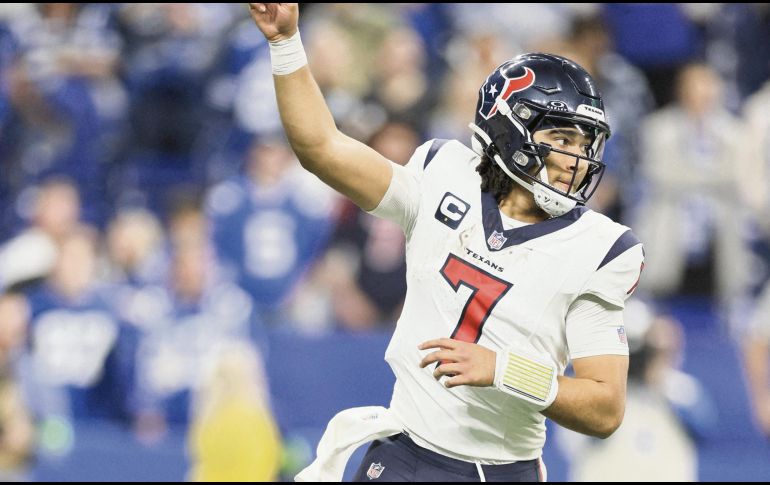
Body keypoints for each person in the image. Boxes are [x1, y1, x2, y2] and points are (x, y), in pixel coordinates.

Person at [249, 4, 644, 482]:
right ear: (509, 129)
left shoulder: (598, 248)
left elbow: (605, 407)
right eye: (561, 138)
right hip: (401, 451)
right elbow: (321, 147)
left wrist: (504, 370)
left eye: (585, 144)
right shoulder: (443, 174)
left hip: (497, 470)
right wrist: (285, 42)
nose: (576, 160)